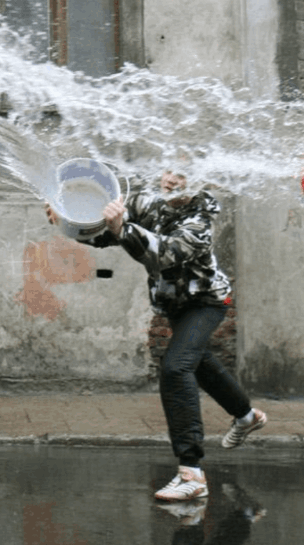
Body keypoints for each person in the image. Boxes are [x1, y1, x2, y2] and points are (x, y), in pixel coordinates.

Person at [46, 166, 267, 502]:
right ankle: (247, 416)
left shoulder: (200, 223)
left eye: (182, 174)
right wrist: (68, 222)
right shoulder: (150, 203)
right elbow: (106, 233)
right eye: (168, 171)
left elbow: (163, 253)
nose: (171, 180)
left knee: (177, 367)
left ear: (198, 182)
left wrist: (122, 226)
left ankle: (191, 472)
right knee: (199, 362)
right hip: (175, 305)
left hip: (206, 303)